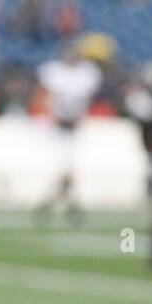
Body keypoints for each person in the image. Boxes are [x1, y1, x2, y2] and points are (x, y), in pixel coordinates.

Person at [35, 43, 102, 222]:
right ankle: (68, 203)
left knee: (69, 167)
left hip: (75, 127)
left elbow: (90, 99)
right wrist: (50, 114)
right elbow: (43, 96)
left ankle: (54, 202)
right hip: (55, 126)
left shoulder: (87, 74)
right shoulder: (54, 72)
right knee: (64, 167)